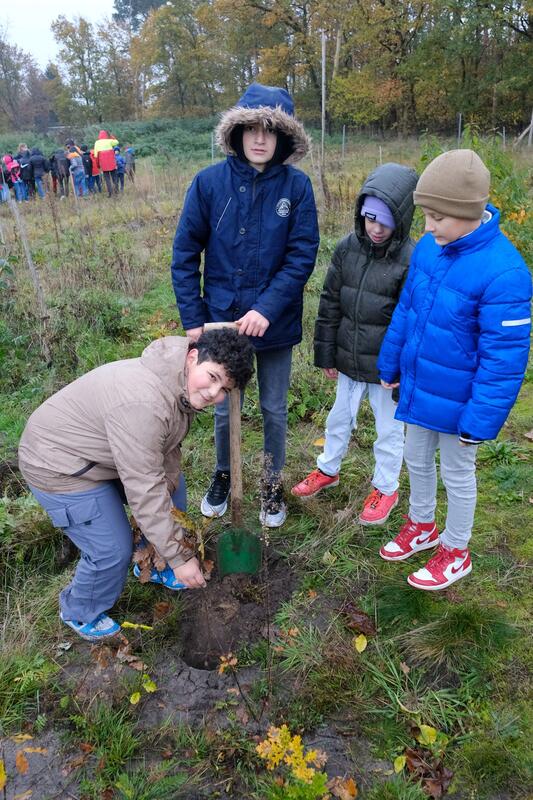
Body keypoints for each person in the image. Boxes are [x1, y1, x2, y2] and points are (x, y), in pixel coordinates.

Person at [18, 329, 255, 642]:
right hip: (58, 466)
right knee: (113, 549)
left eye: (224, 388)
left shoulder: (177, 382)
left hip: (101, 455)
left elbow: (163, 451)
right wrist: (181, 558)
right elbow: (144, 489)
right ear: (193, 357)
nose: (213, 393)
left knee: (174, 488)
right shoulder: (144, 403)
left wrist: (168, 538)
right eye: (212, 377)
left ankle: (153, 563)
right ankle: (79, 610)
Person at [377, 149, 531, 590]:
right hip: (421, 385)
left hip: (464, 403)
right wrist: (391, 362)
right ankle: (421, 524)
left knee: (457, 474)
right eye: (424, 215)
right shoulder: (430, 247)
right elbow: (407, 310)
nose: (427, 227)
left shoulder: (505, 274)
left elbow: (504, 360)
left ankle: (456, 548)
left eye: (437, 217)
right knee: (416, 459)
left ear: (469, 213)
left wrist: (480, 420)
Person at [171, 83, 319, 528]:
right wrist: (195, 320)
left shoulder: (296, 187)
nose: (260, 138)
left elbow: (301, 256)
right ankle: (222, 474)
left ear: (283, 139)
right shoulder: (209, 184)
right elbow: (184, 254)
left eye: (270, 131)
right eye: (251, 128)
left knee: (273, 408)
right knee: (223, 404)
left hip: (273, 326)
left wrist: (267, 308)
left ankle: (271, 484)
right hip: (220, 321)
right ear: (236, 133)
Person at [291, 163, 418, 525]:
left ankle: (386, 488)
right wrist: (327, 353)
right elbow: (330, 302)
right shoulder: (348, 248)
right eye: (369, 218)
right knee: (338, 419)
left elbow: (411, 320)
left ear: (402, 218)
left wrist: (399, 369)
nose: (376, 228)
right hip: (348, 358)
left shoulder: (411, 259)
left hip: (385, 369)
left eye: (386, 220)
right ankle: (327, 469)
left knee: (389, 431)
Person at [94, 129, 119, 197]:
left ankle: (110, 193)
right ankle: (116, 191)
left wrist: (98, 165)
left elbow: (96, 156)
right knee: (114, 177)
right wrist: (111, 136)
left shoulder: (97, 143)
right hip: (112, 163)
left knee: (107, 178)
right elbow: (117, 142)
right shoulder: (109, 141)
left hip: (104, 163)